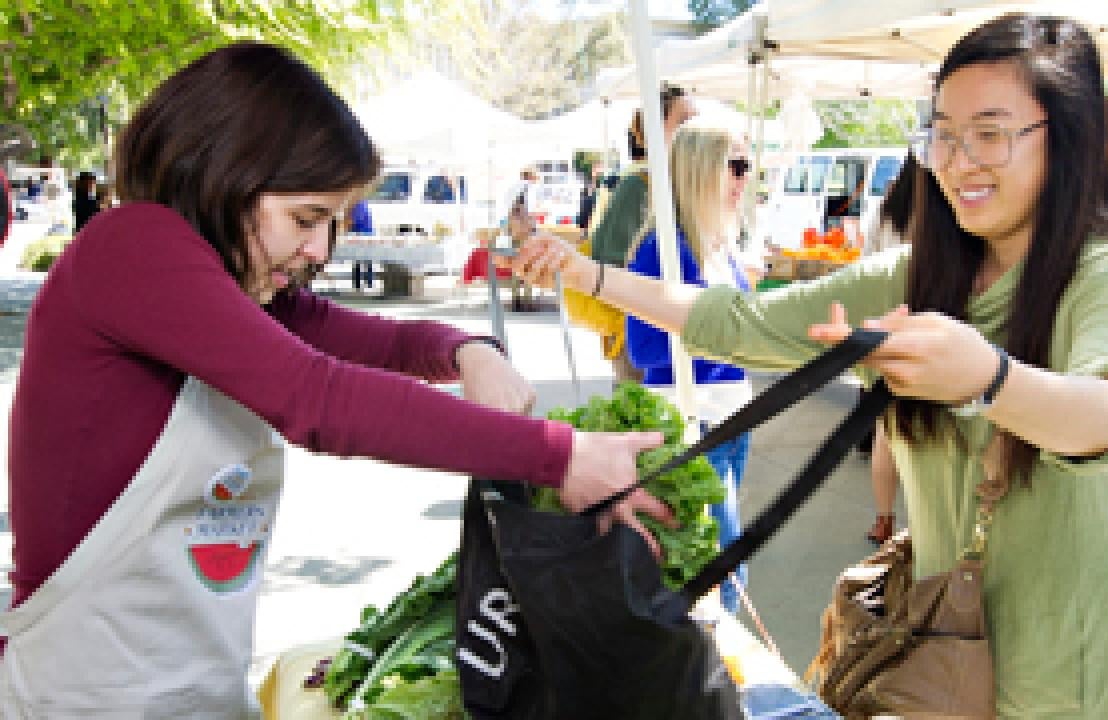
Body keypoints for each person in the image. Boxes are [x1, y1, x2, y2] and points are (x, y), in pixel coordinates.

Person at [506, 14, 1108, 718]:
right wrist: (589, 274)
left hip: (1066, 677)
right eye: (942, 133)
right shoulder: (922, 274)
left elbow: (1104, 416)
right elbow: (739, 322)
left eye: (991, 134)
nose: (958, 160)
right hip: (936, 658)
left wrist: (988, 378)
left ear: (1068, 141)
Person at [0, 42, 673, 716]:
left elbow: (390, 341)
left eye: (333, 224)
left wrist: (471, 348)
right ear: (222, 174)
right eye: (305, 220)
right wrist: (558, 456)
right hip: (85, 694)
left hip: (192, 688)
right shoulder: (133, 248)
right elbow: (319, 399)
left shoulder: (237, 291)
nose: (320, 252)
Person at [625, 123, 755, 613]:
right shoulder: (664, 248)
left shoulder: (717, 243)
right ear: (700, 171)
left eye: (748, 166)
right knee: (723, 570)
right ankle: (716, 676)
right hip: (691, 423)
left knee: (715, 561)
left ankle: (710, 671)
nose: (745, 178)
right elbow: (643, 350)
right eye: (735, 166)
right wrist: (721, 339)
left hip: (730, 419)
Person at [590, 83, 697, 384]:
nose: (695, 130)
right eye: (685, 121)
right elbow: (607, 262)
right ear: (652, 129)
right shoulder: (637, 185)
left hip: (682, 338)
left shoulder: (683, 185)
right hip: (644, 344)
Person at [859, 154, 917, 544]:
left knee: (887, 433)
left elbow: (865, 267)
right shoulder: (949, 208)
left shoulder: (888, 208)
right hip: (936, 332)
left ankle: (884, 519)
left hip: (889, 330)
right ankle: (928, 530)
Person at [346, 196, 376, 290]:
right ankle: (366, 282)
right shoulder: (362, 203)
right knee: (365, 260)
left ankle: (361, 283)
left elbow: (353, 221)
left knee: (359, 260)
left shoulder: (359, 205)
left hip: (362, 235)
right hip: (365, 234)